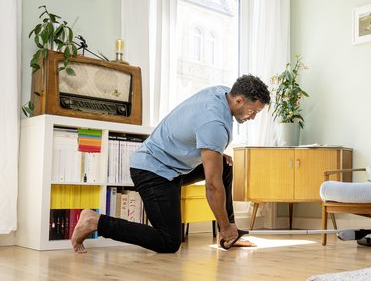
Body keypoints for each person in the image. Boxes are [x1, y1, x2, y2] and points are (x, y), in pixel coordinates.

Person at [70, 74, 270, 253]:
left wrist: (215, 153)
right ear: (239, 100)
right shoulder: (214, 123)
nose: (253, 117)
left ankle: (228, 235)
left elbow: (198, 131)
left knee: (224, 166)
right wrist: (224, 224)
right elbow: (212, 185)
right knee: (168, 241)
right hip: (152, 171)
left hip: (174, 168)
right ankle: (95, 221)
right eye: (253, 111)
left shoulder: (222, 93)